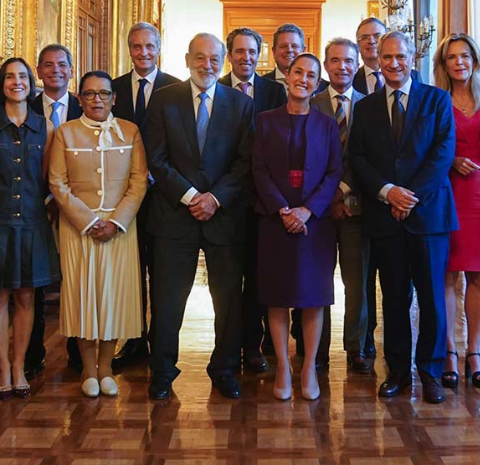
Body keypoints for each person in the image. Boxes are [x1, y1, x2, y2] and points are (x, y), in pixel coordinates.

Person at [144, 33, 254, 400]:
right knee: (167, 300)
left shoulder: (240, 104)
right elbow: (155, 159)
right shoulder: (164, 100)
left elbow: (245, 162)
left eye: (214, 58)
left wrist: (216, 199)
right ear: (187, 58)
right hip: (175, 216)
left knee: (228, 302)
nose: (207, 65)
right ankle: (161, 371)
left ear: (222, 61)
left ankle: (224, 368)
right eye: (200, 58)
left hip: (224, 219)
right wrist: (192, 196)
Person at [348, 31, 456, 404]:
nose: (394, 63)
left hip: (428, 218)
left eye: (401, 56)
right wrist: (387, 192)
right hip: (384, 217)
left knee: (431, 300)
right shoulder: (364, 107)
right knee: (393, 299)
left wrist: (408, 197)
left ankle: (430, 371)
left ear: (413, 58)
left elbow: (443, 154)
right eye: (387, 56)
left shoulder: (438, 100)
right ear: (378, 57)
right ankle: (397, 372)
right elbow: (357, 158)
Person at [0, 57, 59, 400]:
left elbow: (45, 178)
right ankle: (2, 366)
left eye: (22, 76)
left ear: (31, 83)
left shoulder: (44, 127)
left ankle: (20, 366)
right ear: (1, 83)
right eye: (9, 77)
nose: (16, 81)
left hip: (32, 222)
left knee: (26, 296)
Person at [50, 71, 147, 397]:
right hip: (79, 228)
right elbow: (57, 184)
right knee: (83, 296)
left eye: (103, 94)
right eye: (89, 94)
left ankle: (106, 366)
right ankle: (88, 369)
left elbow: (138, 180)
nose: (97, 100)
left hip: (119, 227)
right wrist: (88, 221)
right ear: (80, 99)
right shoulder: (66, 132)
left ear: (113, 98)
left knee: (112, 297)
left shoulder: (130, 131)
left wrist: (116, 220)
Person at [254, 52, 342, 401]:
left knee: (312, 298)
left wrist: (308, 210)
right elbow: (258, 169)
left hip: (315, 225)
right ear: (286, 76)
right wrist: (283, 209)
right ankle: (282, 367)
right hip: (275, 221)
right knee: (277, 298)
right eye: (297, 72)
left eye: (311, 75)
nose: (303, 79)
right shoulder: (265, 120)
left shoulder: (327, 124)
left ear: (317, 83)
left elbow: (335, 171)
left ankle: (307, 369)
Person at [432, 33, 480, 389]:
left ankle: (474, 352)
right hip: (448, 191)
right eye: (451, 57)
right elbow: (427, 150)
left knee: (479, 276)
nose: (458, 62)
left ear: (475, 60)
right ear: (443, 64)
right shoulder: (434, 99)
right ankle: (448, 351)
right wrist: (450, 161)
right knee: (448, 275)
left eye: (464, 56)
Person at [110, 22, 180, 373]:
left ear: (158, 48)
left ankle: (160, 341)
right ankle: (134, 339)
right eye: (136, 46)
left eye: (149, 46)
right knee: (130, 272)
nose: (143, 52)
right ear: (129, 49)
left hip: (164, 197)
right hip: (123, 197)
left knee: (162, 273)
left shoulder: (176, 88)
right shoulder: (114, 89)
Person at [219, 27, 286, 374]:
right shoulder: (214, 91)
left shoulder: (275, 92)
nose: (246, 57)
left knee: (259, 279)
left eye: (251, 52)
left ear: (259, 55)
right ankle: (229, 348)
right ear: (229, 55)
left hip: (263, 203)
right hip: (226, 203)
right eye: (239, 51)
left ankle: (254, 346)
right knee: (229, 281)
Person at [310, 38, 373, 372]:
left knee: (356, 283)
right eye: (335, 61)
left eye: (349, 61)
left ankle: (355, 347)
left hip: (355, 208)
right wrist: (328, 197)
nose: (342, 67)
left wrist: (343, 192)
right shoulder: (310, 102)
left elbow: (369, 158)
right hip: (318, 211)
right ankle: (317, 348)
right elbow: (306, 157)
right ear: (326, 64)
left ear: (357, 63)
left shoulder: (370, 106)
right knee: (317, 280)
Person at [25, 43, 80, 378]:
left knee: (75, 281)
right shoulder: (23, 106)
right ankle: (33, 354)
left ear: (71, 70)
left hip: (77, 207)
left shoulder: (85, 105)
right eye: (47, 65)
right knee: (34, 283)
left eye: (61, 64)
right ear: (39, 71)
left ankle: (77, 353)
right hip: (33, 206)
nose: (55, 70)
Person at [353, 18, 420, 95]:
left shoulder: (414, 76)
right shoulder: (351, 79)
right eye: (364, 38)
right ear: (357, 44)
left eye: (377, 36)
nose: (371, 41)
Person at [262, 23, 329, 93]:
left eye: (294, 46)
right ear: (274, 51)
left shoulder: (324, 88)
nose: (289, 50)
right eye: (283, 46)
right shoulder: (259, 85)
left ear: (303, 50)